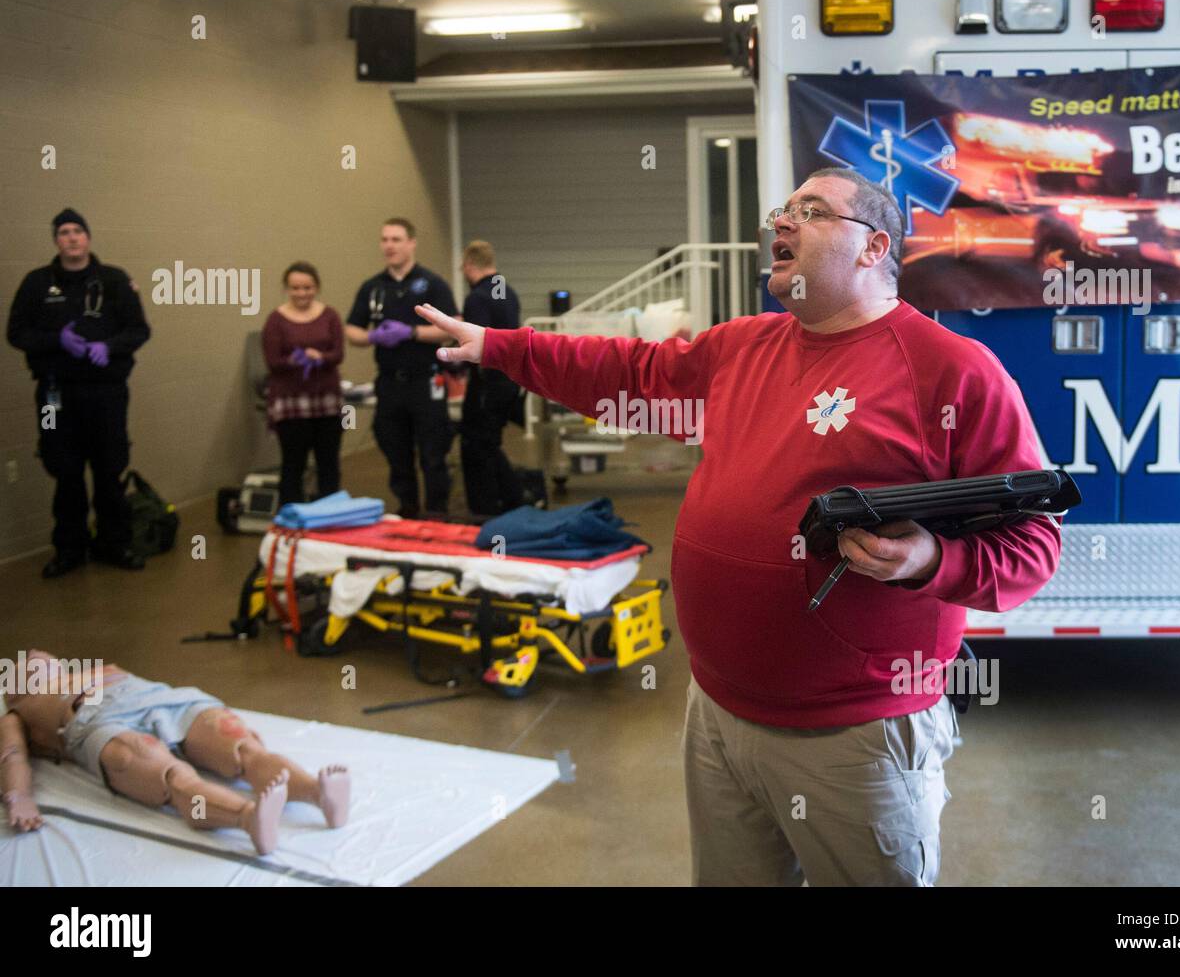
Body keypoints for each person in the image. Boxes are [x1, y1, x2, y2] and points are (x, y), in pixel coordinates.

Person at [414, 168, 1062, 887]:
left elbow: (1033, 545)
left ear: (874, 246)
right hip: (717, 713)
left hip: (856, 733)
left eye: (810, 211)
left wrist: (926, 557)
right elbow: (627, 373)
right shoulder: (743, 347)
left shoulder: (953, 372)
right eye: (782, 211)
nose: (780, 223)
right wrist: (502, 347)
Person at [0, 650, 351, 855]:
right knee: (167, 774)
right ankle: (248, 817)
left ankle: (317, 792)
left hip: (160, 698)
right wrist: (17, 796)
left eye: (40, 656)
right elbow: (11, 754)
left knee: (239, 746)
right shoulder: (20, 710)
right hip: (95, 721)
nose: (32, 656)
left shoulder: (95, 669)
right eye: (23, 664)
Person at [6, 209, 151, 578]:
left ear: (88, 237)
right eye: (64, 232)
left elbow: (139, 330)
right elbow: (16, 333)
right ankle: (69, 549)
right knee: (63, 468)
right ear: (56, 240)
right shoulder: (37, 283)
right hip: (54, 396)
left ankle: (113, 543)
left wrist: (111, 346)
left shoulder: (114, 280)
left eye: (77, 231)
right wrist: (57, 341)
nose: (71, 238)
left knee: (109, 468)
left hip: (106, 392)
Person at [344, 219, 458, 518]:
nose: (389, 246)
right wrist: (372, 337)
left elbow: (452, 327)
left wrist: (412, 332)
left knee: (433, 453)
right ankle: (407, 510)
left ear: (411, 243)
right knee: (396, 451)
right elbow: (352, 330)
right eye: (384, 240)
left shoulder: (432, 284)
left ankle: (437, 513)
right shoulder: (372, 288)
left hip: (426, 381)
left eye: (396, 239)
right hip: (390, 383)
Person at [261, 262, 345, 507]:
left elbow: (338, 354)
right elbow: (273, 361)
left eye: (307, 287)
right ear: (287, 289)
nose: (302, 293)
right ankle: (291, 517)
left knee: (328, 462)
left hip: (326, 401)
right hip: (290, 403)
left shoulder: (330, 315)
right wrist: (296, 360)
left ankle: (330, 514)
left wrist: (321, 358)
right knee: (293, 462)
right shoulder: (276, 320)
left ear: (316, 287)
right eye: (296, 288)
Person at [458, 240, 525, 517]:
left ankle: (486, 507)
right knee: (489, 443)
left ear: (470, 265)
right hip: (508, 380)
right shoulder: (508, 293)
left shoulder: (477, 298)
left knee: (476, 445)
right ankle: (512, 499)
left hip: (487, 383)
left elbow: (476, 341)